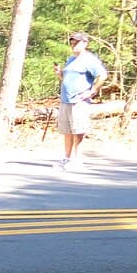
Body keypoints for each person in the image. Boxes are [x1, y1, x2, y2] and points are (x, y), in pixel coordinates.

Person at [53, 31, 107, 170]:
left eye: (76, 42)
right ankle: (67, 158)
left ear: (84, 43)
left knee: (78, 130)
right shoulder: (71, 60)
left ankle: (78, 160)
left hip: (79, 101)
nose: (73, 45)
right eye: (72, 42)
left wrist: (92, 91)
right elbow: (66, 79)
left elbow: (102, 75)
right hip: (66, 99)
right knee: (67, 130)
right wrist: (60, 74)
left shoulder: (89, 60)